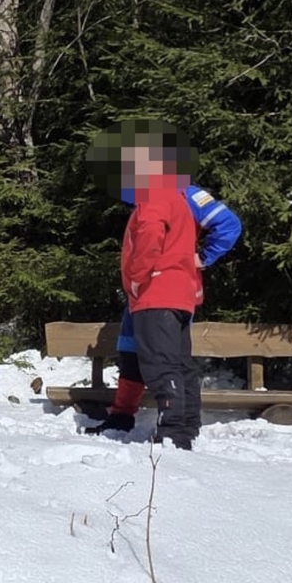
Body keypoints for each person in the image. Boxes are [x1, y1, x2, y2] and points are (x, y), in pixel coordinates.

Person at [84, 180, 240, 437]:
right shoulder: (153, 195)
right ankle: (123, 416)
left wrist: (202, 257)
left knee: (165, 361)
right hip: (146, 293)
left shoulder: (184, 193)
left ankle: (177, 429)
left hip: (161, 289)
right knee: (131, 352)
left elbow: (228, 224)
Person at [114, 135, 204, 449]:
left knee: (160, 364)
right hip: (180, 294)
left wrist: (138, 277)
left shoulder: (155, 195)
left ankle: (174, 432)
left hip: (157, 291)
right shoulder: (179, 199)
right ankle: (188, 425)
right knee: (181, 364)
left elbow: (150, 232)